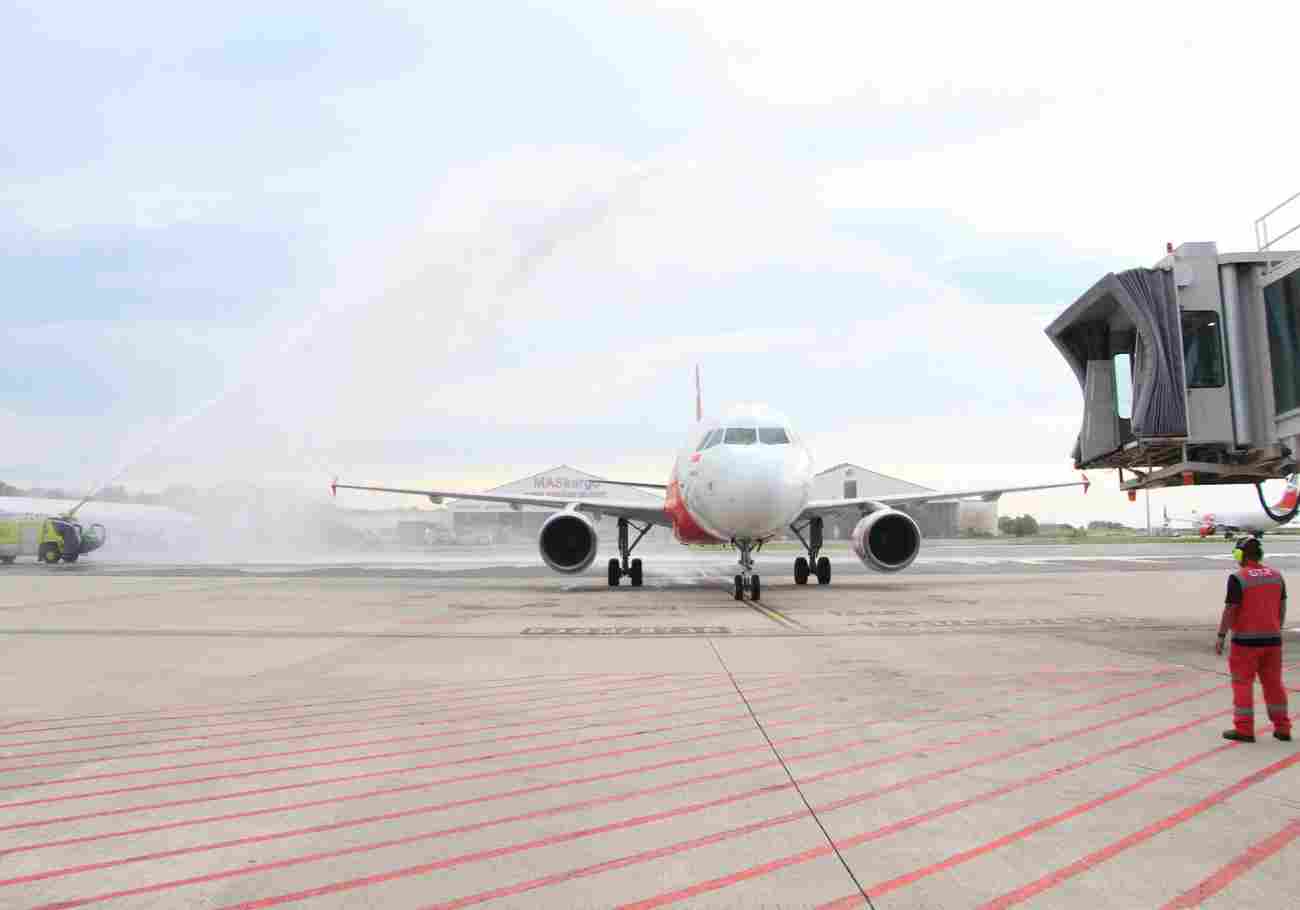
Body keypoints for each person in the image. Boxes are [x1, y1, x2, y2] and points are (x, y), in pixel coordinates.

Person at [1216, 535, 1292, 743]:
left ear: (1240, 554)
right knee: (1274, 685)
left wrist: (1221, 635)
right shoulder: (1276, 576)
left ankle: (1244, 729)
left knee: (1242, 684)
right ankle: (1283, 728)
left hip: (1245, 643)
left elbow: (1230, 609)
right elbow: (1282, 607)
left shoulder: (1238, 577)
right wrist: (1277, 628)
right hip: (1273, 641)